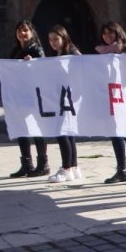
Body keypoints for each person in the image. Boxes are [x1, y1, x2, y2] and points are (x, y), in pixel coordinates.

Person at [96, 21, 126, 185]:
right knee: (115, 133)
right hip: (110, 95)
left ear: (117, 33)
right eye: (104, 33)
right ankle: (122, 170)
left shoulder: (123, 49)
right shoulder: (104, 52)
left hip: (124, 95)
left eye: (111, 33)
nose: (107, 36)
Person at [7, 20, 50, 178]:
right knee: (21, 128)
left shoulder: (36, 50)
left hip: (33, 94)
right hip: (19, 94)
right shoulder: (15, 51)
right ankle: (26, 163)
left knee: (36, 128)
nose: (22, 33)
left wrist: (32, 64)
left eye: (25, 30)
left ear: (32, 32)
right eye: (19, 30)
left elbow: (43, 68)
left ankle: (43, 164)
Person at [46, 24, 83, 183]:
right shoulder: (58, 54)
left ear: (63, 38)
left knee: (62, 132)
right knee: (67, 132)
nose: (53, 42)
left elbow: (82, 66)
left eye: (56, 39)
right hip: (60, 97)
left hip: (68, 98)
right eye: (50, 40)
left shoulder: (71, 52)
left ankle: (66, 168)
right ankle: (73, 166)